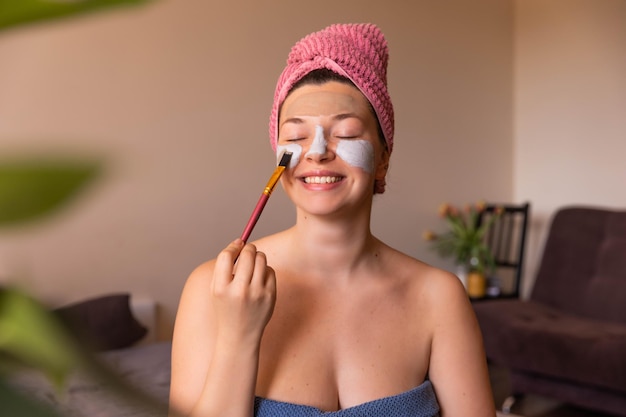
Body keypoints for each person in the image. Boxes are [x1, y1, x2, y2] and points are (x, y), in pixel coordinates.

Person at [169, 23, 496, 417]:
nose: (318, 152)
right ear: (278, 155)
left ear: (383, 157)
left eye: (345, 132)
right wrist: (238, 339)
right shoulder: (214, 290)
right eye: (297, 135)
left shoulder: (438, 298)